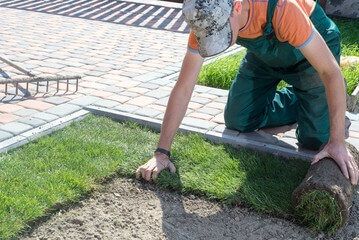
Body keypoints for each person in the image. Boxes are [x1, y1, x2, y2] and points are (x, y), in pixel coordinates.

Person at [136, 0, 359, 185]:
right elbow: (184, 87)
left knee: (314, 140)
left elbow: (330, 72)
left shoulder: (283, 8)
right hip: (265, 56)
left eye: (222, 33)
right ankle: (312, 103)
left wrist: (337, 142)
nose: (216, 42)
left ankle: (325, 107)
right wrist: (161, 152)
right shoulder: (204, 19)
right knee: (238, 119)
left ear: (238, 7)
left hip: (312, 51)